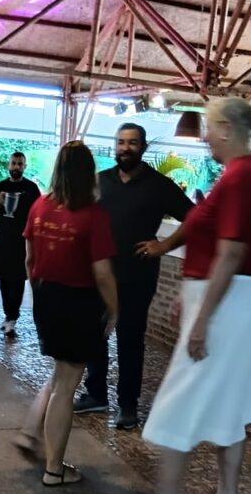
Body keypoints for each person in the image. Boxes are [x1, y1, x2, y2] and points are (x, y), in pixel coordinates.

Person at [116, 97, 251, 494]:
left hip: (224, 307)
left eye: (209, 128)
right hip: (230, 302)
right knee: (229, 408)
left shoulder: (239, 177)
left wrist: (202, 318)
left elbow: (232, 253)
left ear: (226, 129)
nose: (205, 137)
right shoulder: (243, 174)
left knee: (178, 404)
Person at [74, 123, 192, 430]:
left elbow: (195, 219)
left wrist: (164, 245)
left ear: (143, 147)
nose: (125, 148)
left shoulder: (159, 185)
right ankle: (95, 394)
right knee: (95, 335)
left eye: (132, 143)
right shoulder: (100, 181)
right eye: (121, 142)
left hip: (137, 277)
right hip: (99, 274)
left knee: (130, 340)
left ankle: (128, 406)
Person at [14, 141, 117, 482]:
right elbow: (103, 273)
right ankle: (54, 469)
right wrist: (114, 309)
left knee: (60, 376)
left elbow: (29, 259)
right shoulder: (93, 215)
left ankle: (32, 436)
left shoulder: (40, 206)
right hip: (79, 302)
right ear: (88, 173)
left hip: (47, 296)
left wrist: (39, 294)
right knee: (65, 387)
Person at [0, 151, 41, 337]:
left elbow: (39, 214)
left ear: (25, 167)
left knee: (17, 280)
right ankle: (8, 314)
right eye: (14, 163)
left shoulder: (31, 189)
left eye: (20, 164)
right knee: (3, 279)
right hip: (3, 240)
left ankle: (12, 317)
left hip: (22, 242)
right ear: (9, 165)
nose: (16, 167)